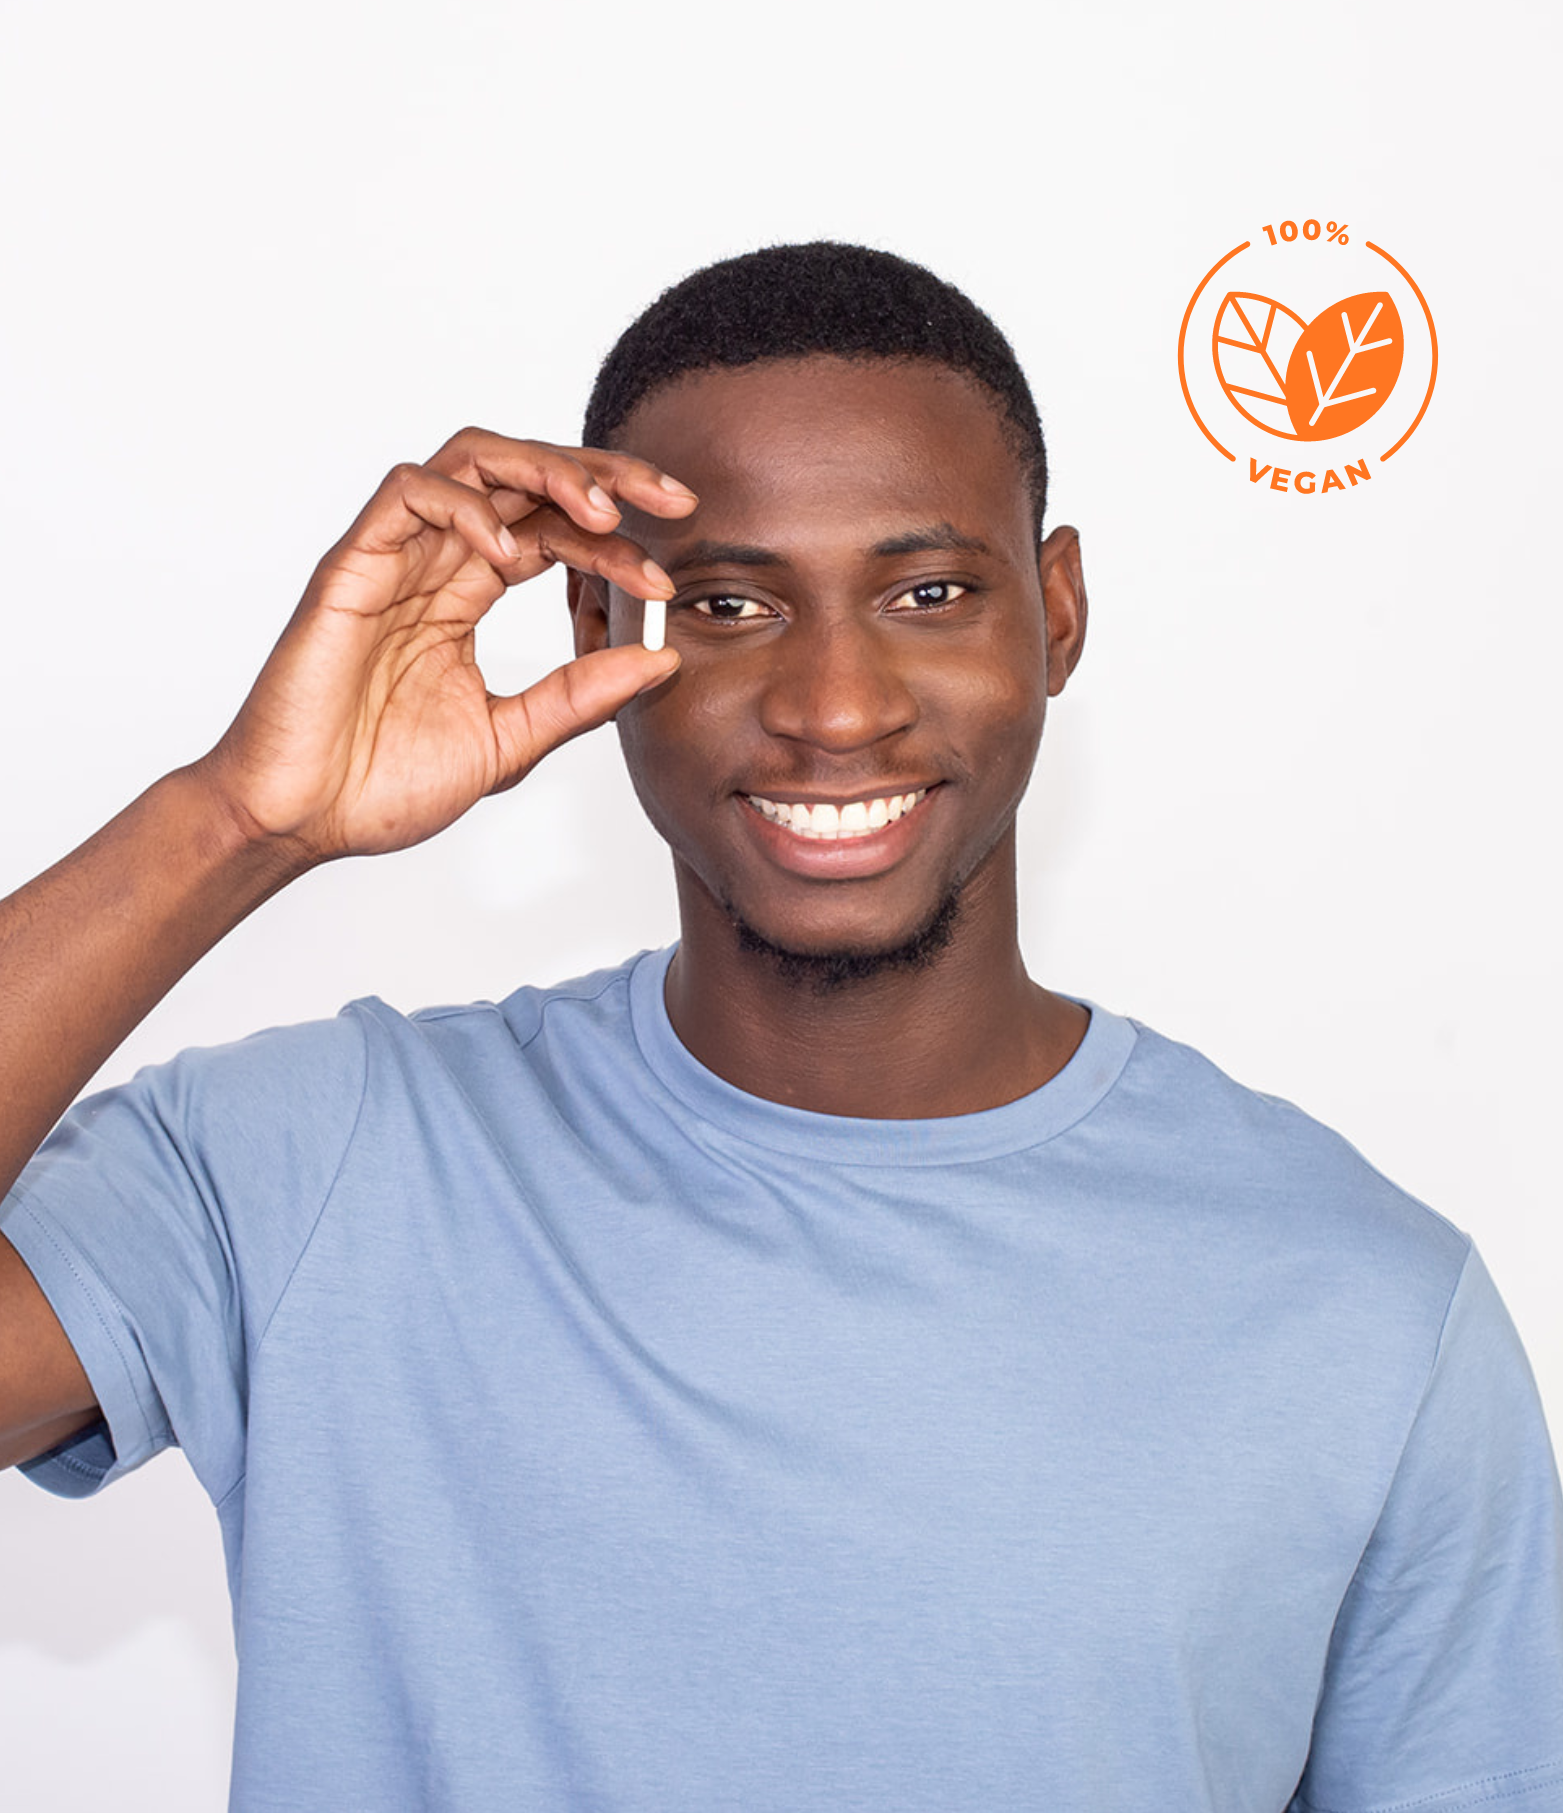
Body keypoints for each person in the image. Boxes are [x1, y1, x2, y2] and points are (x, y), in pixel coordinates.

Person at [2, 242, 1560, 1812]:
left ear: (1056, 612)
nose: (834, 706)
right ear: (596, 625)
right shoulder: (319, 1165)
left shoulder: (1360, 1305)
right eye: (730, 604)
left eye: (927, 593)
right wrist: (237, 820)